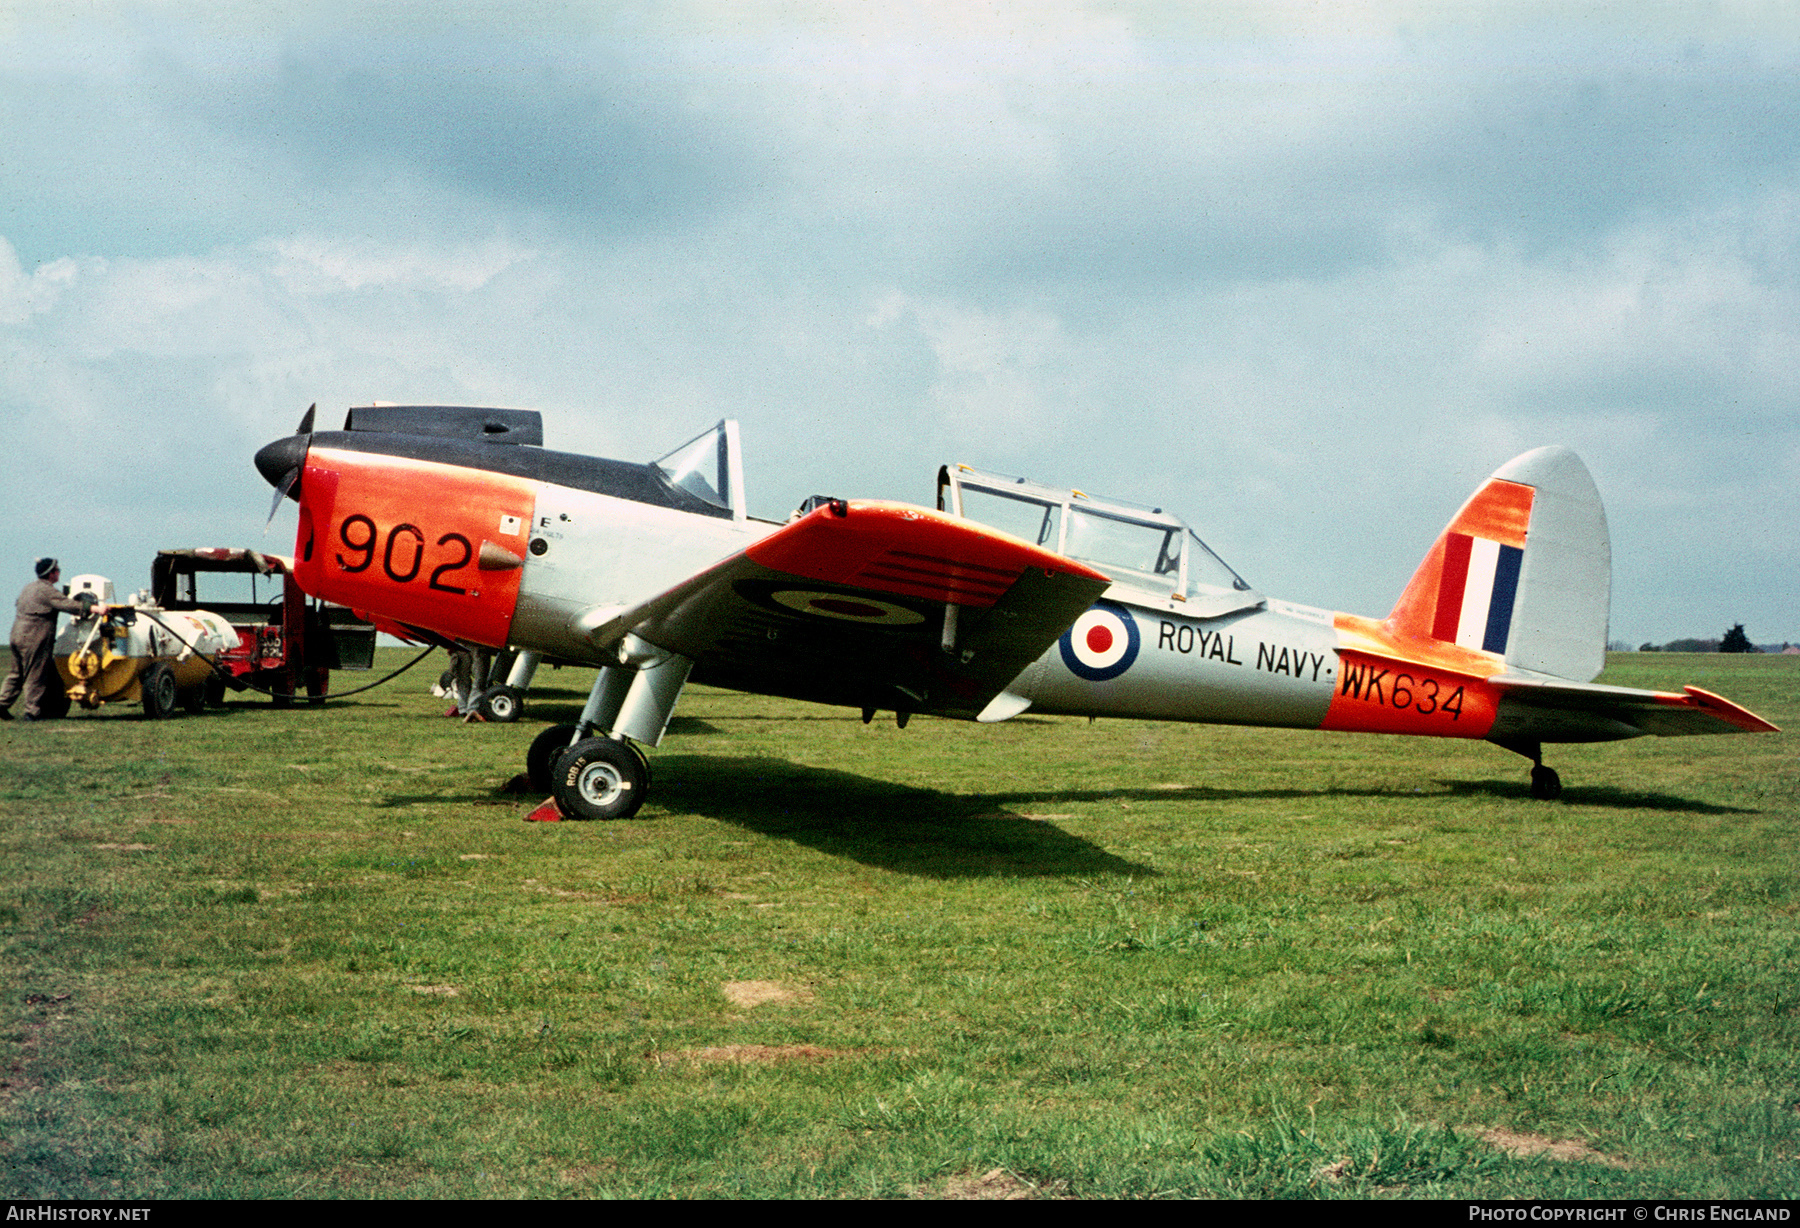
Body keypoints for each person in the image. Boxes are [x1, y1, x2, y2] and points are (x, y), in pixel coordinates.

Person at [1, 558, 94, 722]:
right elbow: (67, 605)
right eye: (57, 570)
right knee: (36, 673)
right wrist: (93, 608)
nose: (59, 573)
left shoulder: (28, 588)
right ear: (51, 574)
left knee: (17, 673)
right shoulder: (47, 590)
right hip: (34, 635)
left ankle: (2, 704)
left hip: (17, 634)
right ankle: (32, 712)